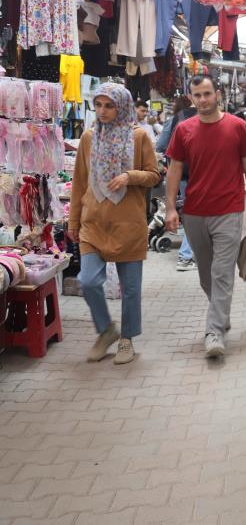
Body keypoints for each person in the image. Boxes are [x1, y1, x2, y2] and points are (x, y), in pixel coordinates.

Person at [165, 75, 246, 358]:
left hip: (229, 210)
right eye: (198, 95)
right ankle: (221, 313)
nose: (203, 100)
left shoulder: (237, 126)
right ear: (191, 98)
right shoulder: (183, 130)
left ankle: (214, 332)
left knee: (221, 273)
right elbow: (174, 169)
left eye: (207, 94)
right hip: (195, 212)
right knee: (206, 275)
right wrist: (171, 207)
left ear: (217, 94)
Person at [68, 83, 159, 365]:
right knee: (88, 281)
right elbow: (80, 182)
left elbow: (154, 174)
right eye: (99, 105)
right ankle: (106, 330)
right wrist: (73, 220)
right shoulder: (88, 137)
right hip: (92, 223)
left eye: (110, 106)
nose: (103, 111)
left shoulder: (139, 136)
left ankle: (127, 339)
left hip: (128, 224)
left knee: (130, 288)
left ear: (122, 107)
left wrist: (130, 176)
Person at [157, 96, 198, 271]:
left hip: (182, 175)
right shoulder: (209, 118)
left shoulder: (174, 120)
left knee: (191, 214)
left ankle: (188, 255)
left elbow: (161, 145)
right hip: (204, 175)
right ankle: (186, 256)